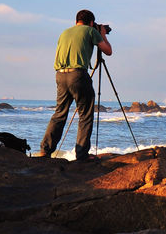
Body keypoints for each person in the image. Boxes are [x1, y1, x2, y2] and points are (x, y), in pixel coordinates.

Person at [35, 9, 112, 160]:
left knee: (59, 114)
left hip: (60, 75)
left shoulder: (65, 33)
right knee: (85, 115)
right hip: (77, 75)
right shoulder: (91, 31)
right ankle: (82, 155)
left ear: (76, 21)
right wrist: (102, 33)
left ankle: (45, 150)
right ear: (91, 22)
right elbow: (108, 51)